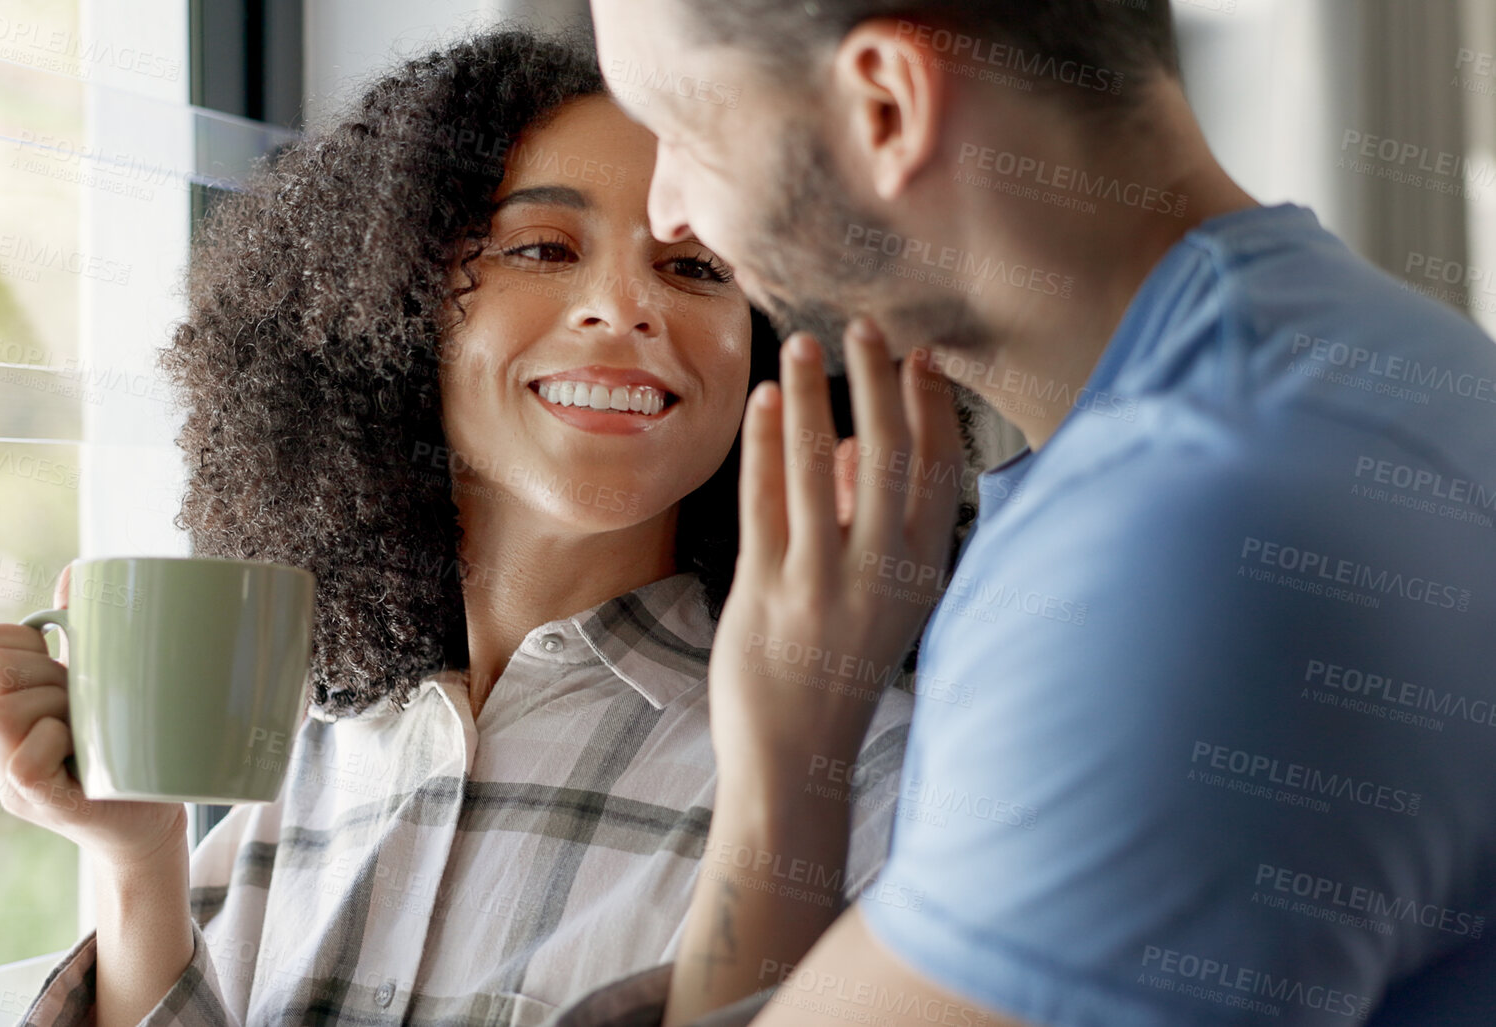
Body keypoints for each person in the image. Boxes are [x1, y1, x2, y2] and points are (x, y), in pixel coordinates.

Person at [0, 31, 931, 1027]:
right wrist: (134, 860)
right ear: (393, 309)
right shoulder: (296, 761)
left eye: (695, 266)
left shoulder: (869, 782)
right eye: (544, 248)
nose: (628, 307)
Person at [579, 0, 1496, 1025]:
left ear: (886, 106)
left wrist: (782, 768)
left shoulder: (1186, 546)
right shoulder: (1370, 378)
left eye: (685, 130)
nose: (667, 210)